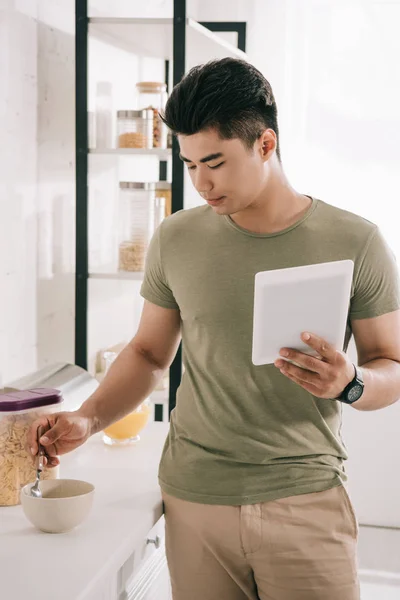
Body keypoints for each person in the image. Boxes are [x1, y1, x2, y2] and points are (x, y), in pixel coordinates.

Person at [28, 58, 400, 600]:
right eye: (189, 164)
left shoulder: (355, 240)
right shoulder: (175, 238)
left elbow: (391, 364)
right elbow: (150, 354)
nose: (201, 182)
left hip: (305, 500)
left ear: (265, 144)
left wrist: (351, 384)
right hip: (195, 497)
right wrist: (88, 419)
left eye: (216, 163)